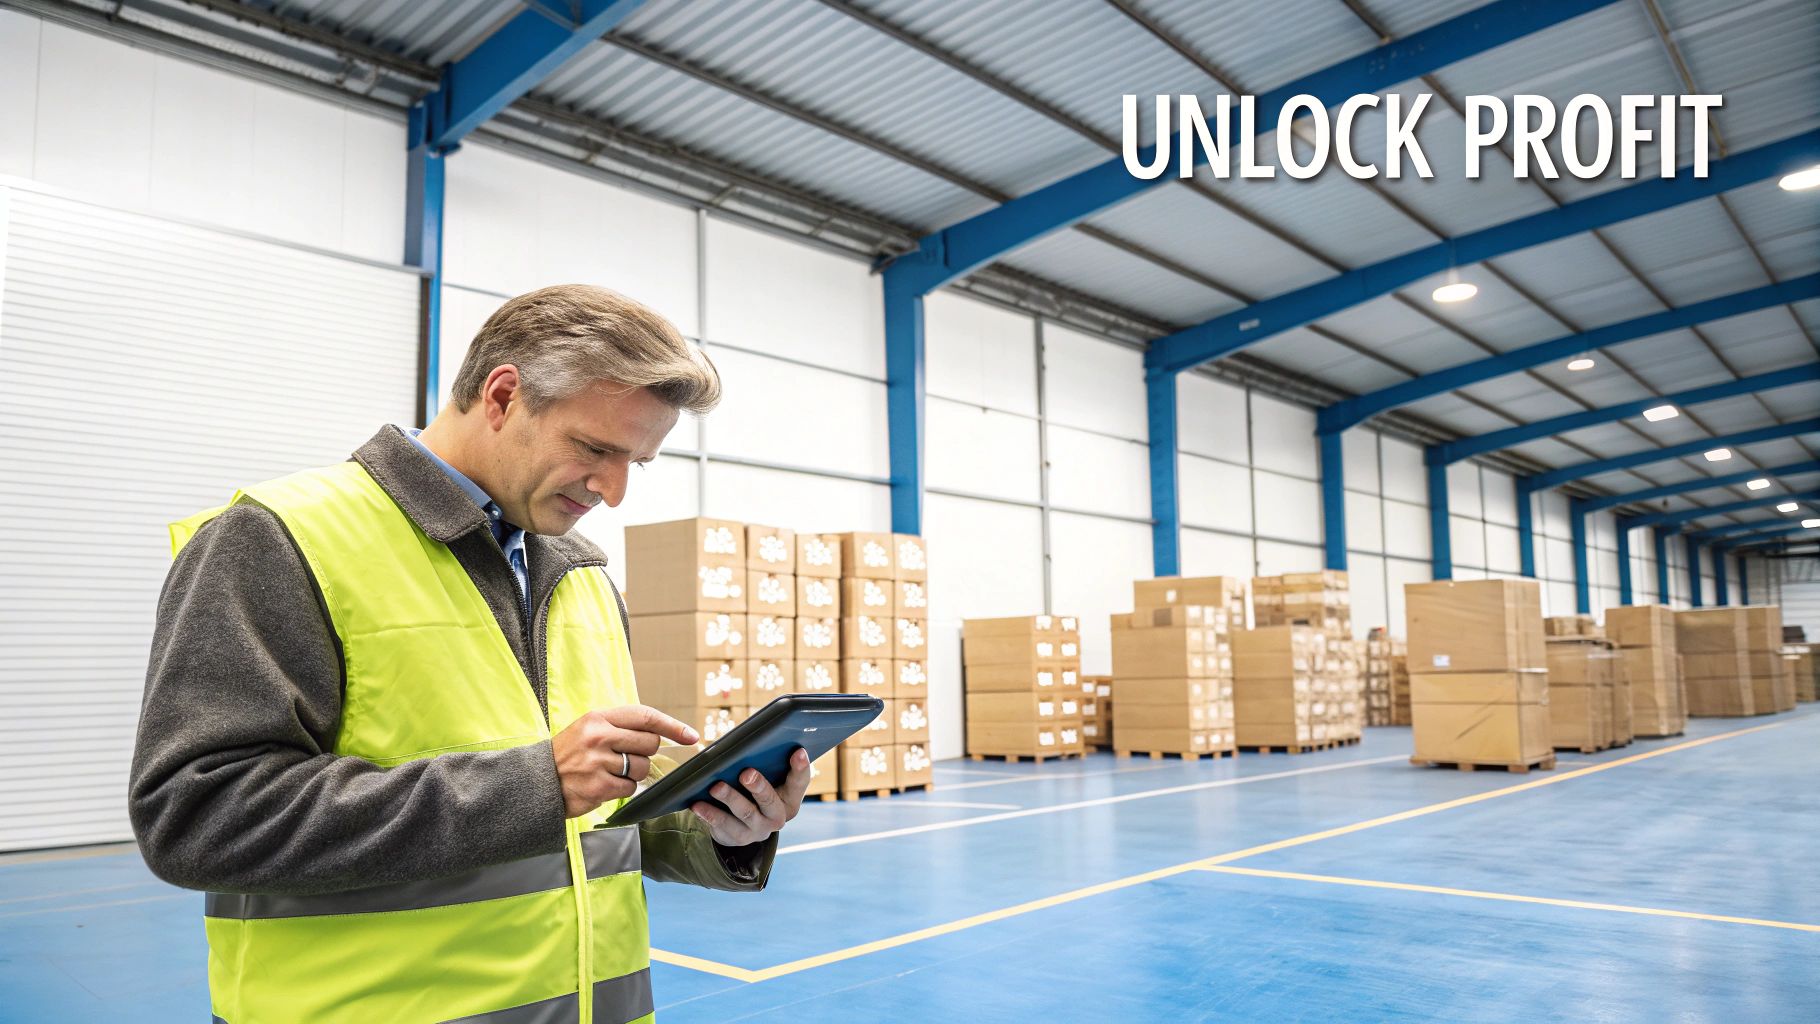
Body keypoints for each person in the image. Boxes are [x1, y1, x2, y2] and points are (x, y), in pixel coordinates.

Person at [131, 284, 811, 1024]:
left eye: (636, 464)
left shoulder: (580, 574)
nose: (613, 491)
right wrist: (531, 784)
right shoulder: (278, 540)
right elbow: (197, 817)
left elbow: (594, 816)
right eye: (595, 449)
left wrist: (718, 830)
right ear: (503, 395)